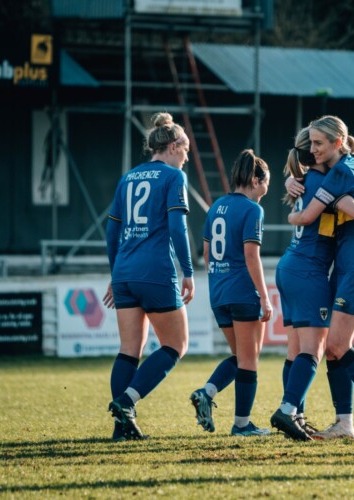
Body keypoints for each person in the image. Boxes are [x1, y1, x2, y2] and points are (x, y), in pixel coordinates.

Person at [270, 127, 354, 441]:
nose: (316, 149)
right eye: (313, 145)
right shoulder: (325, 180)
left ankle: (305, 416)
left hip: (292, 266)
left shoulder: (312, 179)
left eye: (320, 143)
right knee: (320, 349)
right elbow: (345, 212)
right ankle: (290, 411)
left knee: (302, 350)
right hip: (310, 270)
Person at [104, 112, 195, 441]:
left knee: (129, 349)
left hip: (124, 271)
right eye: (185, 150)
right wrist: (188, 271)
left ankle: (122, 428)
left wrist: (115, 273)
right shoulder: (173, 177)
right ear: (172, 147)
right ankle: (127, 402)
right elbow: (177, 227)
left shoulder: (127, 178)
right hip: (155, 270)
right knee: (176, 344)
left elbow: (111, 232)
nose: (186, 158)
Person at [190, 149, 273, 437]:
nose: (266, 188)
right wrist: (264, 296)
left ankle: (207, 392)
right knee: (249, 360)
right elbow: (251, 256)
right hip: (242, 291)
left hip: (219, 293)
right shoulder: (253, 210)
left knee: (239, 356)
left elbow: (206, 252)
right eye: (266, 182)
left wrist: (220, 278)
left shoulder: (216, 207)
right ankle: (241, 425)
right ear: (255, 180)